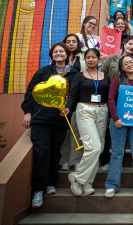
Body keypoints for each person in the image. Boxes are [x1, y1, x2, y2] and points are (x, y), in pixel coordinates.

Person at [23, 43, 79, 208]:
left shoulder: (73, 73)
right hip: (41, 119)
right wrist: (27, 112)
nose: (59, 53)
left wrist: (68, 107)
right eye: (55, 51)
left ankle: (50, 184)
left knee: (55, 152)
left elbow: (73, 94)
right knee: (42, 152)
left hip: (60, 120)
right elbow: (30, 92)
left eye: (62, 51)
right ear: (52, 55)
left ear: (67, 54)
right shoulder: (43, 71)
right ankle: (39, 190)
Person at [64, 48, 111, 196]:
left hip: (102, 110)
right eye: (88, 57)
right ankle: (77, 177)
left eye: (93, 57)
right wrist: (67, 107)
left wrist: (110, 113)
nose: (90, 60)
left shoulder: (105, 76)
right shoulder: (79, 75)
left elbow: (109, 96)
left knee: (100, 146)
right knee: (94, 147)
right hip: (85, 110)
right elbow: (72, 94)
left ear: (99, 59)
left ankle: (87, 183)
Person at [105, 55, 133, 197]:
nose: (129, 64)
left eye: (131, 62)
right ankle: (112, 185)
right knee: (117, 153)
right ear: (122, 67)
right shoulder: (117, 80)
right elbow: (111, 99)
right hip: (119, 122)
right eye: (126, 63)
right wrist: (115, 118)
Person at [60, 35, 85, 171]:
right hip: (61, 98)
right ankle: (64, 159)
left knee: (75, 128)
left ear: (78, 44)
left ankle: (74, 160)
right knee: (64, 129)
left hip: (78, 96)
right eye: (68, 42)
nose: (70, 44)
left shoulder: (82, 57)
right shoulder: (59, 58)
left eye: (73, 42)